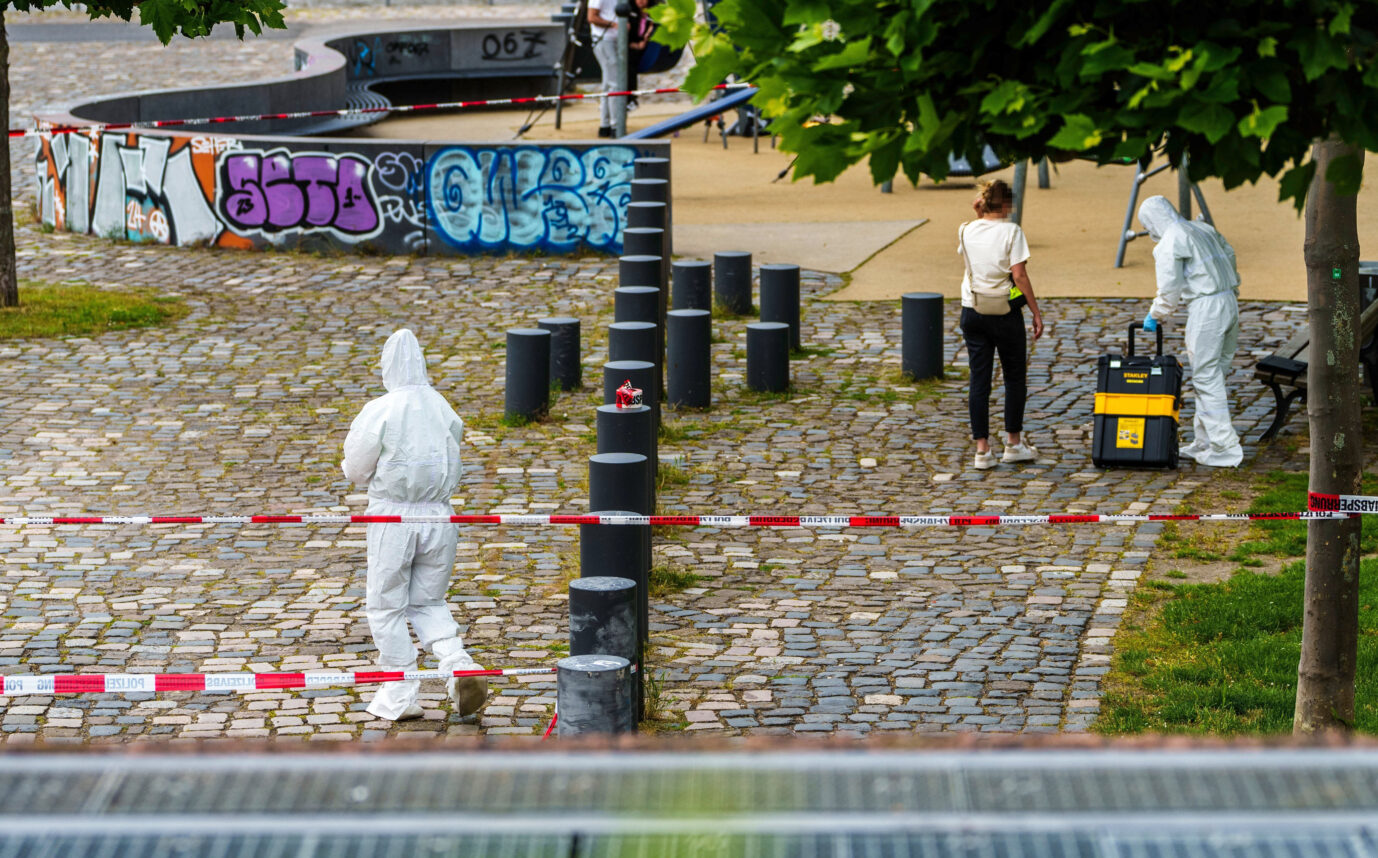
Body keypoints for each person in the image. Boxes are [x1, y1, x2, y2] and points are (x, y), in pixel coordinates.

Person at [342, 328, 488, 721]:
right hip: (440, 516)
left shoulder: (381, 409)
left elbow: (356, 469)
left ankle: (400, 691)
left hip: (394, 517)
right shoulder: (442, 406)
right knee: (428, 601)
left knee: (385, 605)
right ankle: (458, 664)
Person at [1137, 195, 1244, 467]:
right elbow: (1229, 254)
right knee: (1214, 374)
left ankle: (1224, 446)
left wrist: (1155, 313)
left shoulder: (1170, 240)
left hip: (1207, 307)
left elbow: (1169, 289)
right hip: (1229, 300)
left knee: (1206, 376)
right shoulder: (1201, 228)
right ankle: (1205, 440)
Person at [957, 179, 1045, 470]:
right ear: (1007, 204)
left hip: (973, 310)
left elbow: (978, 228)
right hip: (1005, 313)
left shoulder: (967, 229)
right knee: (1014, 378)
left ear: (982, 204)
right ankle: (1013, 443)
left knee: (979, 380)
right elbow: (1018, 275)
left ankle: (982, 450)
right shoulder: (1012, 232)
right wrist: (1035, 311)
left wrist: (978, 211)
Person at [588, 0, 621, 137]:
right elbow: (592, 17)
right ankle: (615, 125)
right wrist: (614, 24)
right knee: (614, 83)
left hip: (613, 40)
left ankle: (605, 125)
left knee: (608, 83)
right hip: (604, 40)